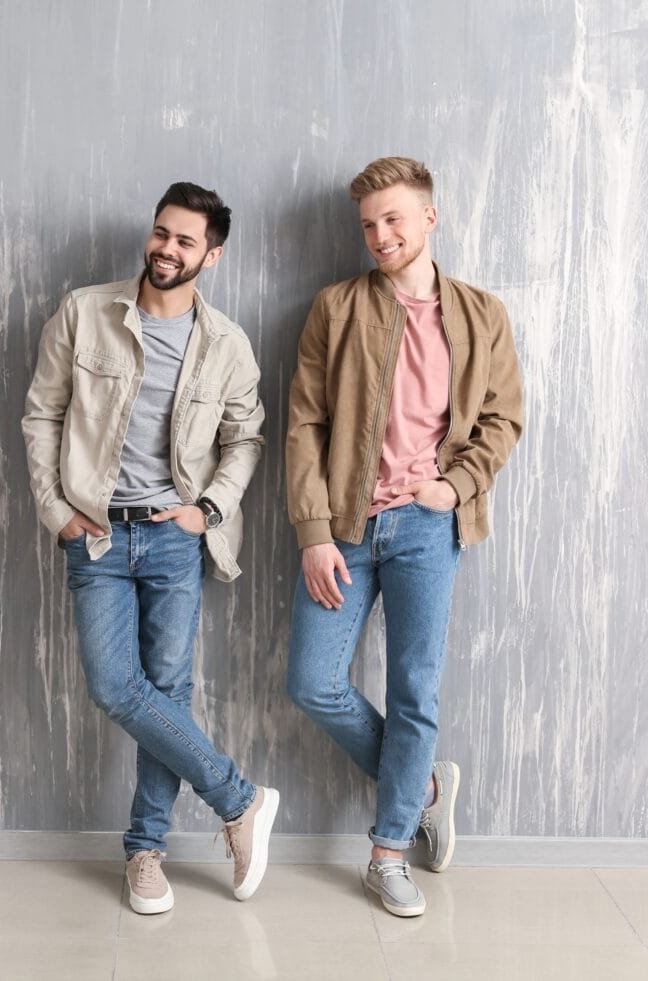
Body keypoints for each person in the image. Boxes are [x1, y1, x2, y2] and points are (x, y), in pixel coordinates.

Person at [22, 182, 278, 914]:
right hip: (97, 534)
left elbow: (246, 439)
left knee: (167, 694)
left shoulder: (226, 343)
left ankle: (145, 850)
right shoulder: (86, 311)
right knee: (115, 685)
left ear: (213, 255)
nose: (167, 248)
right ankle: (239, 799)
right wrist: (55, 511)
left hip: (172, 538)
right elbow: (42, 414)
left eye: (186, 240)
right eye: (162, 233)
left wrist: (208, 510)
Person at [285, 156, 522, 917]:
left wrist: (456, 486)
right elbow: (305, 422)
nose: (380, 235)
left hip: (428, 525)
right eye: (368, 225)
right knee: (312, 681)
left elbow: (503, 418)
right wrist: (315, 532)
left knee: (415, 691)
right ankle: (420, 784)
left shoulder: (483, 313)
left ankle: (389, 853)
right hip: (347, 528)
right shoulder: (336, 306)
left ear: (430, 217)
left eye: (393, 220)